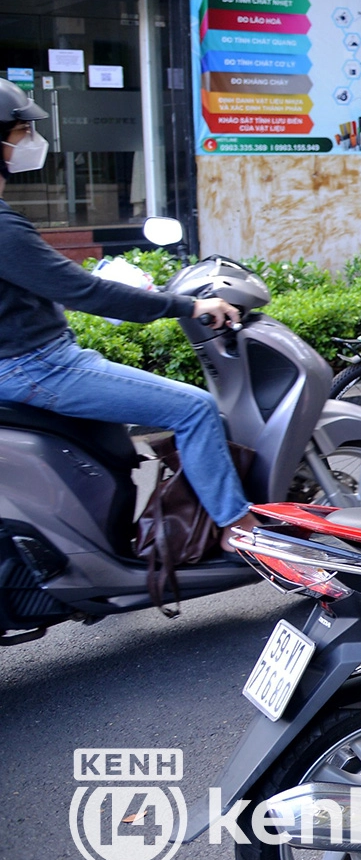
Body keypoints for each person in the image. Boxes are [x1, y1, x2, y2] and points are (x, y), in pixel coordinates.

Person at [0, 81, 247, 527]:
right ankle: (238, 528)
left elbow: (46, 284)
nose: (31, 141)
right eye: (22, 130)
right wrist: (189, 306)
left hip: (24, 363)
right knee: (194, 407)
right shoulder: (3, 228)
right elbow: (84, 293)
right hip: (38, 365)